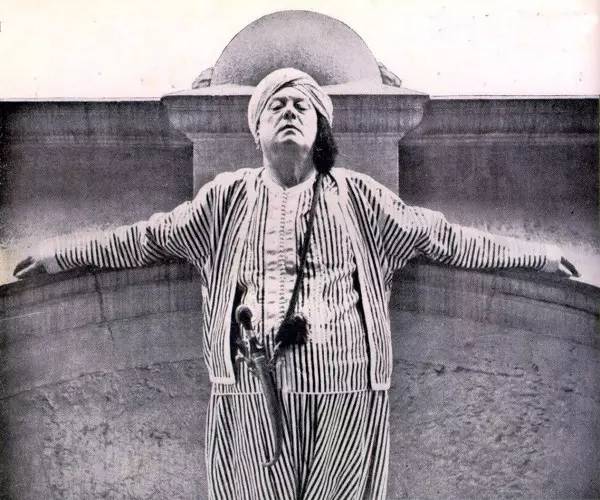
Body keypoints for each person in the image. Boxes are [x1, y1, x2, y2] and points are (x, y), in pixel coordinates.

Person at [14, 68, 580, 499]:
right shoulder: (225, 199)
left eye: (301, 105)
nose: (289, 111)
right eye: (276, 106)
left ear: (320, 127)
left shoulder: (359, 197)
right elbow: (146, 238)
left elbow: (443, 238)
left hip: (347, 391)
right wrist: (58, 256)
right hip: (248, 395)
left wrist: (540, 257)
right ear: (257, 129)